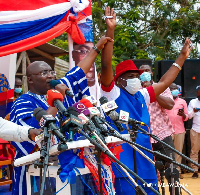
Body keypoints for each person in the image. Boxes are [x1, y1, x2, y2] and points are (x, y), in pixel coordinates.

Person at [100, 6, 192, 195]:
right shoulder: (112, 93)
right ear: (119, 79)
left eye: (137, 75)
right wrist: (110, 30)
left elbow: (166, 80)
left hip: (146, 159)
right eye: (131, 75)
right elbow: (106, 64)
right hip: (122, 162)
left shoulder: (142, 95)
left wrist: (181, 57)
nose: (136, 78)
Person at [9, 36, 113, 195]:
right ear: (30, 79)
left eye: (52, 71)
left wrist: (97, 47)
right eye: (44, 73)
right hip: (35, 177)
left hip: (63, 171)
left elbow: (78, 73)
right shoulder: (23, 102)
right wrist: (55, 100)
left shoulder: (59, 93)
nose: (51, 76)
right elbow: (34, 133)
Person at [165, 83, 188, 179]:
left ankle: (177, 171)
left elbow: (186, 117)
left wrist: (182, 114)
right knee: (168, 152)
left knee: (178, 152)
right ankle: (169, 171)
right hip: (167, 131)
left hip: (179, 130)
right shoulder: (165, 102)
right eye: (172, 88)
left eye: (175, 88)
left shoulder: (182, 101)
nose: (174, 90)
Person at [188, 85, 200, 178]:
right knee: (194, 151)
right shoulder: (193, 102)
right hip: (195, 130)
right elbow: (189, 116)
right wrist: (194, 111)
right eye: (198, 91)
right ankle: (194, 170)